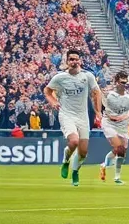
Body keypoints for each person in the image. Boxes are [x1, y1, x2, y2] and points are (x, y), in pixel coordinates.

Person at [43, 48, 102, 187]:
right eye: (71, 59)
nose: (74, 62)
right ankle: (66, 161)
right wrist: (53, 102)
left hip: (83, 116)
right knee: (74, 141)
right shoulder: (60, 77)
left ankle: (75, 171)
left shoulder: (87, 76)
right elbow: (47, 91)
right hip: (66, 114)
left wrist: (98, 111)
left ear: (80, 61)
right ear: (67, 61)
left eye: (76, 59)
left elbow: (97, 93)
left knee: (83, 152)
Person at [99, 69, 129, 186]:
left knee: (121, 152)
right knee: (119, 147)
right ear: (116, 82)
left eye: (125, 83)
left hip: (124, 124)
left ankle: (111, 171)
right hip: (109, 122)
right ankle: (112, 173)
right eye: (121, 82)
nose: (124, 85)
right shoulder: (109, 95)